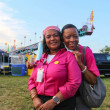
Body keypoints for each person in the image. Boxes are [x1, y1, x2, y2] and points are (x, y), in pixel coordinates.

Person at [28, 26, 81, 110]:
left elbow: (74, 82)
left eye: (55, 35)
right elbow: (31, 80)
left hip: (63, 103)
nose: (52, 38)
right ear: (45, 41)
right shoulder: (41, 58)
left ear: (60, 38)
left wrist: (54, 101)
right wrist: (35, 98)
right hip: (40, 103)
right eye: (48, 37)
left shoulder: (68, 56)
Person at [61, 24, 100, 110]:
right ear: (62, 38)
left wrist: (80, 64)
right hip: (63, 97)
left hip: (82, 96)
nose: (72, 40)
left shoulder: (85, 51)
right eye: (68, 37)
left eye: (75, 36)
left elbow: (93, 80)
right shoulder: (59, 52)